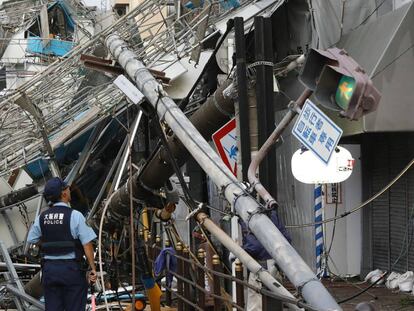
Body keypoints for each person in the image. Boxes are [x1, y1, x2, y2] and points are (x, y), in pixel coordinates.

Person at [28, 177, 97, 311]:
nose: (69, 190)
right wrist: (92, 269)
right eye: (67, 188)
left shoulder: (42, 217)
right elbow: (87, 244)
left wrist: (49, 243)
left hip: (50, 271)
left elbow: (32, 239)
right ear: (63, 194)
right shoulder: (75, 215)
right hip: (72, 271)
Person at [239, 209, 291, 311]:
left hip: (260, 265)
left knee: (256, 302)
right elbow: (287, 239)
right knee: (275, 299)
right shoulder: (272, 214)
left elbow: (254, 247)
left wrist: (241, 249)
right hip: (276, 263)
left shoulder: (248, 217)